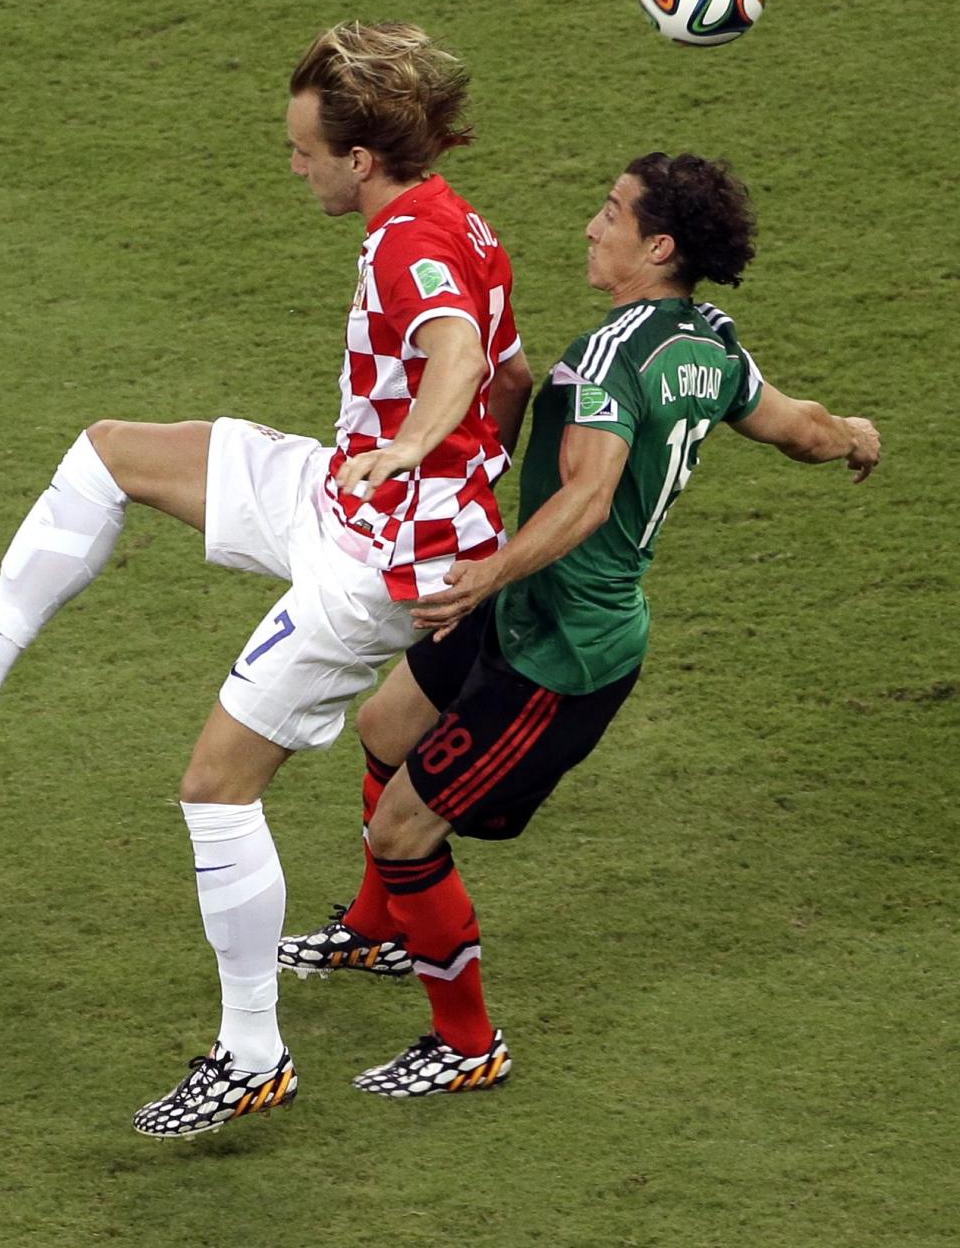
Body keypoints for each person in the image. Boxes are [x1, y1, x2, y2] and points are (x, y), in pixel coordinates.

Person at [0, 22, 534, 1139]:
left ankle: (252, 1054)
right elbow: (514, 375)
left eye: (302, 150)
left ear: (359, 159)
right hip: (349, 500)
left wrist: (415, 455)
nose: (292, 166)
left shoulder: (410, 246)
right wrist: (462, 485)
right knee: (109, 452)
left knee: (215, 786)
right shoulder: (456, 219)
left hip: (376, 561)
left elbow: (459, 356)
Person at [279, 152, 881, 1098]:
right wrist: (851, 434)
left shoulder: (611, 359)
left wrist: (486, 573)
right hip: (527, 602)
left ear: (659, 246)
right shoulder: (709, 345)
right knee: (387, 726)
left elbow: (588, 499)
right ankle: (379, 930)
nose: (593, 226)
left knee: (405, 832)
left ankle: (468, 1045)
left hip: (564, 649)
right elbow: (795, 427)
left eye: (612, 212)